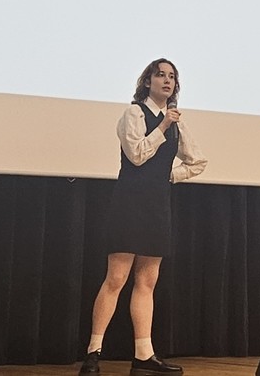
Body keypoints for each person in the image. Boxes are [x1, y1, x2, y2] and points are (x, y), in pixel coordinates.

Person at [82, 59, 208, 376]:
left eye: (172, 76)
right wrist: (162, 127)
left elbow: (197, 162)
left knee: (147, 281)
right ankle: (93, 353)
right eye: (160, 75)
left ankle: (143, 355)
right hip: (129, 203)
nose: (167, 80)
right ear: (147, 81)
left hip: (157, 206)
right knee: (116, 279)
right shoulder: (134, 113)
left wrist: (169, 176)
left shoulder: (177, 122)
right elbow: (137, 155)